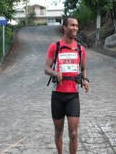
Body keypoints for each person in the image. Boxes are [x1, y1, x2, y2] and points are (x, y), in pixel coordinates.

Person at [44, 16, 89, 154]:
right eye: (72, 25)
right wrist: (55, 73)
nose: (75, 27)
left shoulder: (81, 49)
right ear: (64, 27)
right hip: (57, 95)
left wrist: (85, 80)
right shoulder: (55, 47)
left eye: (77, 25)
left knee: (74, 134)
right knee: (58, 131)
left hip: (72, 96)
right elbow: (46, 68)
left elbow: (83, 68)